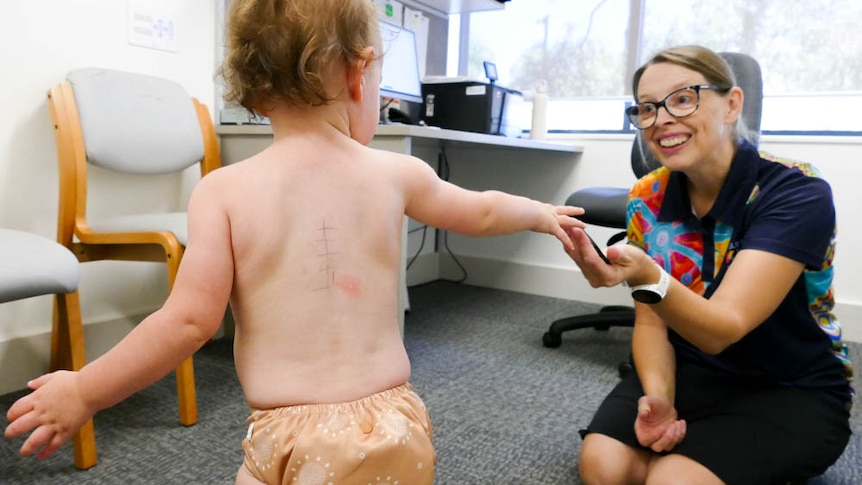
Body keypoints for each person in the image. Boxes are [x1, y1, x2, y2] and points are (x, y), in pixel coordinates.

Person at [3, 1, 586, 483]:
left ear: (253, 92)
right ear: (359, 73)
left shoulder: (224, 191)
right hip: (397, 424)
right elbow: (481, 210)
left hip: (290, 435)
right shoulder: (395, 174)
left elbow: (186, 324)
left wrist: (86, 389)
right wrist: (538, 212)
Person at [564, 45, 853, 485]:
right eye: (646, 109)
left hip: (789, 383)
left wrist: (647, 276)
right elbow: (651, 324)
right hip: (691, 367)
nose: (660, 120)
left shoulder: (796, 192)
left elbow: (723, 328)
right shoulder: (647, 197)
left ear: (732, 104)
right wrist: (660, 399)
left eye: (683, 99)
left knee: (671, 480)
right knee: (604, 467)